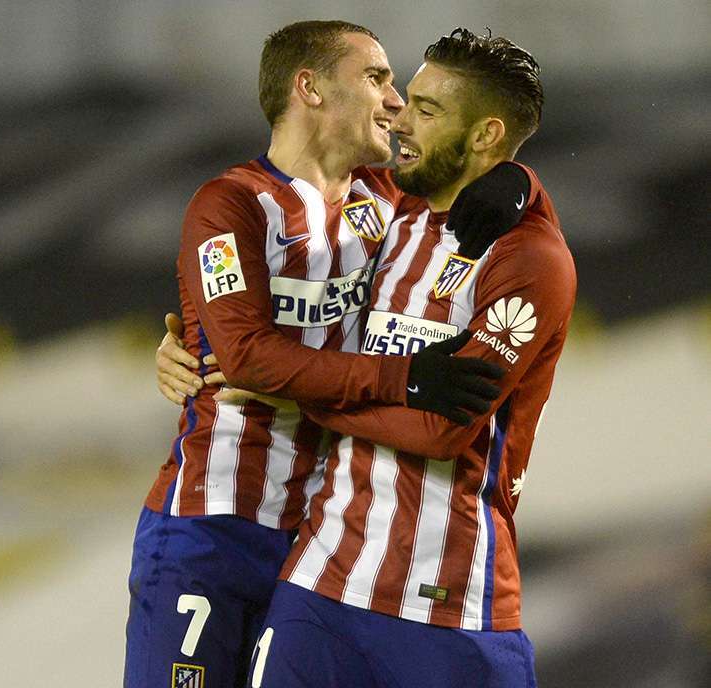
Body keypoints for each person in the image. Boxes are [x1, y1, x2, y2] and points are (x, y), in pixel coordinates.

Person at [167, 28, 575, 688]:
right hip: (320, 589)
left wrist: (294, 398)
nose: (398, 115)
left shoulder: (528, 259)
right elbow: (275, 293)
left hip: (451, 610)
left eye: (426, 109)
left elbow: (442, 429)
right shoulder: (388, 215)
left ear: (485, 136)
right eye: (402, 96)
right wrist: (188, 341)